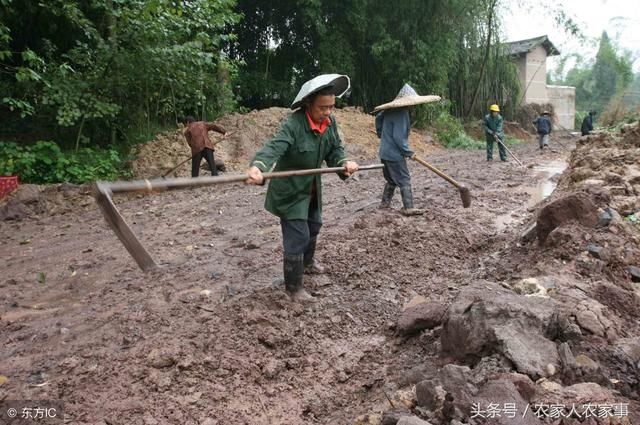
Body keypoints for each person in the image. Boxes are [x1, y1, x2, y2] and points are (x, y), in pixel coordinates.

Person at [245, 74, 359, 303]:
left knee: (314, 225)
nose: (327, 112)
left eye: (331, 107)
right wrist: (258, 166)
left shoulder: (330, 123)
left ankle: (307, 262)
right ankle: (294, 288)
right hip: (291, 190)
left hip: (311, 188)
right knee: (298, 236)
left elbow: (334, 150)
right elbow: (274, 147)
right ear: (309, 104)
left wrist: (343, 163)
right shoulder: (293, 124)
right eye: (322, 108)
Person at [373, 84, 440, 215]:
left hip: (384, 152)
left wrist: (380, 133)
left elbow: (378, 118)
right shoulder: (402, 113)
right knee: (404, 179)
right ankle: (408, 207)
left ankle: (384, 204)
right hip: (394, 154)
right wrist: (408, 152)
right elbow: (399, 138)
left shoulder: (388, 111)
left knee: (391, 180)